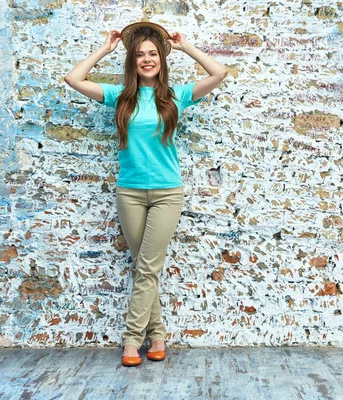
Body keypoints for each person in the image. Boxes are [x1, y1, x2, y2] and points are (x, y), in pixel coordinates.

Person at [64, 22, 227, 367]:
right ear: (132, 61)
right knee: (144, 267)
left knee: (148, 267)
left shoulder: (177, 96)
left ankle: (130, 340)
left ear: (162, 59)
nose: (147, 59)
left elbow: (219, 71)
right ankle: (157, 335)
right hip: (130, 193)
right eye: (140, 54)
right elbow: (73, 79)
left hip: (168, 193)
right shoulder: (120, 97)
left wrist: (185, 47)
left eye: (153, 53)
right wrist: (104, 50)